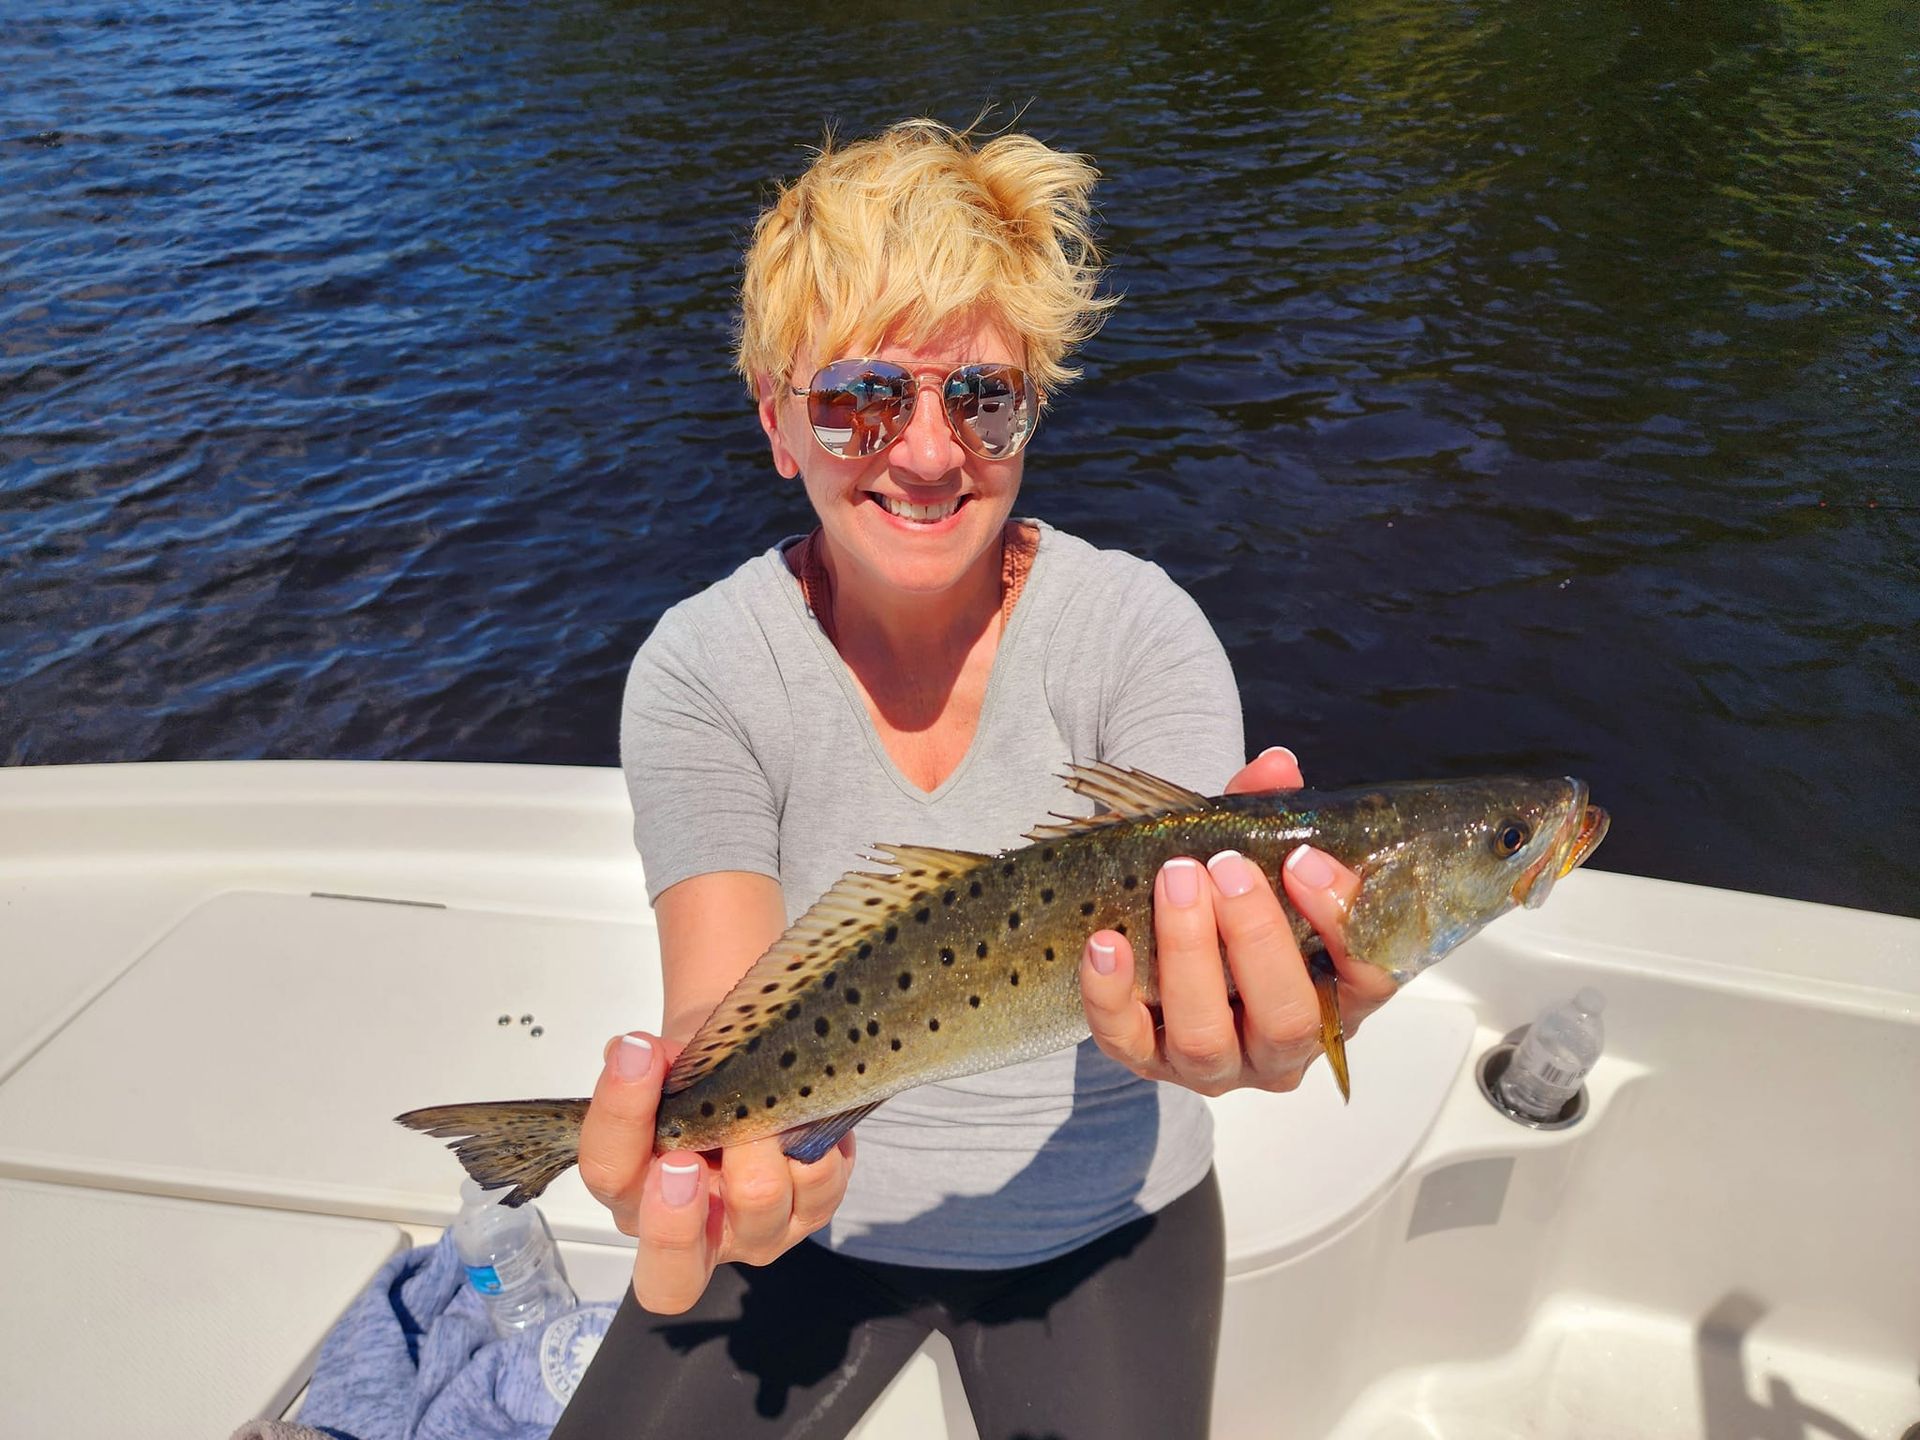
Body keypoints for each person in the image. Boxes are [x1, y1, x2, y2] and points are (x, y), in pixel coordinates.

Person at [548, 119, 1396, 1440]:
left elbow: (1197, 960)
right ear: (779, 424)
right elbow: (726, 1001)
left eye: (983, 399)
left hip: (1105, 1227)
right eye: (857, 400)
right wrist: (741, 1166)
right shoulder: (706, 666)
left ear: (1032, 411)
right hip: (807, 1231)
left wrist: (1246, 1017)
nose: (931, 452)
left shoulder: (1141, 632)